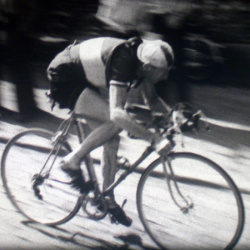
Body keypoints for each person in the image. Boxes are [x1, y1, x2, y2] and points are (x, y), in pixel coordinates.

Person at [47, 36, 174, 227]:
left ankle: (108, 199)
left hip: (85, 76)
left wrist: (175, 117)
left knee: (112, 140)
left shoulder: (142, 62)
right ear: (148, 67)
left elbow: (153, 101)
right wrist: (153, 138)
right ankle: (71, 161)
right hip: (66, 77)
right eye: (163, 72)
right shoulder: (123, 63)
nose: (165, 77)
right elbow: (117, 115)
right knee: (114, 122)